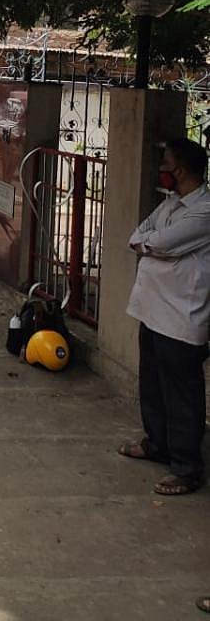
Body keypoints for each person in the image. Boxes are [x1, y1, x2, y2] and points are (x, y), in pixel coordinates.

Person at [119, 138, 209, 496]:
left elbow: (163, 243)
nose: (161, 170)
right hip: (151, 309)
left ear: (181, 169)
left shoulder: (203, 209)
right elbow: (138, 236)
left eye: (166, 164)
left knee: (182, 392)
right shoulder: (171, 204)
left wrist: (152, 246)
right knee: (153, 382)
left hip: (181, 314)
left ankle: (187, 467)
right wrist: (152, 245)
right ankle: (158, 443)